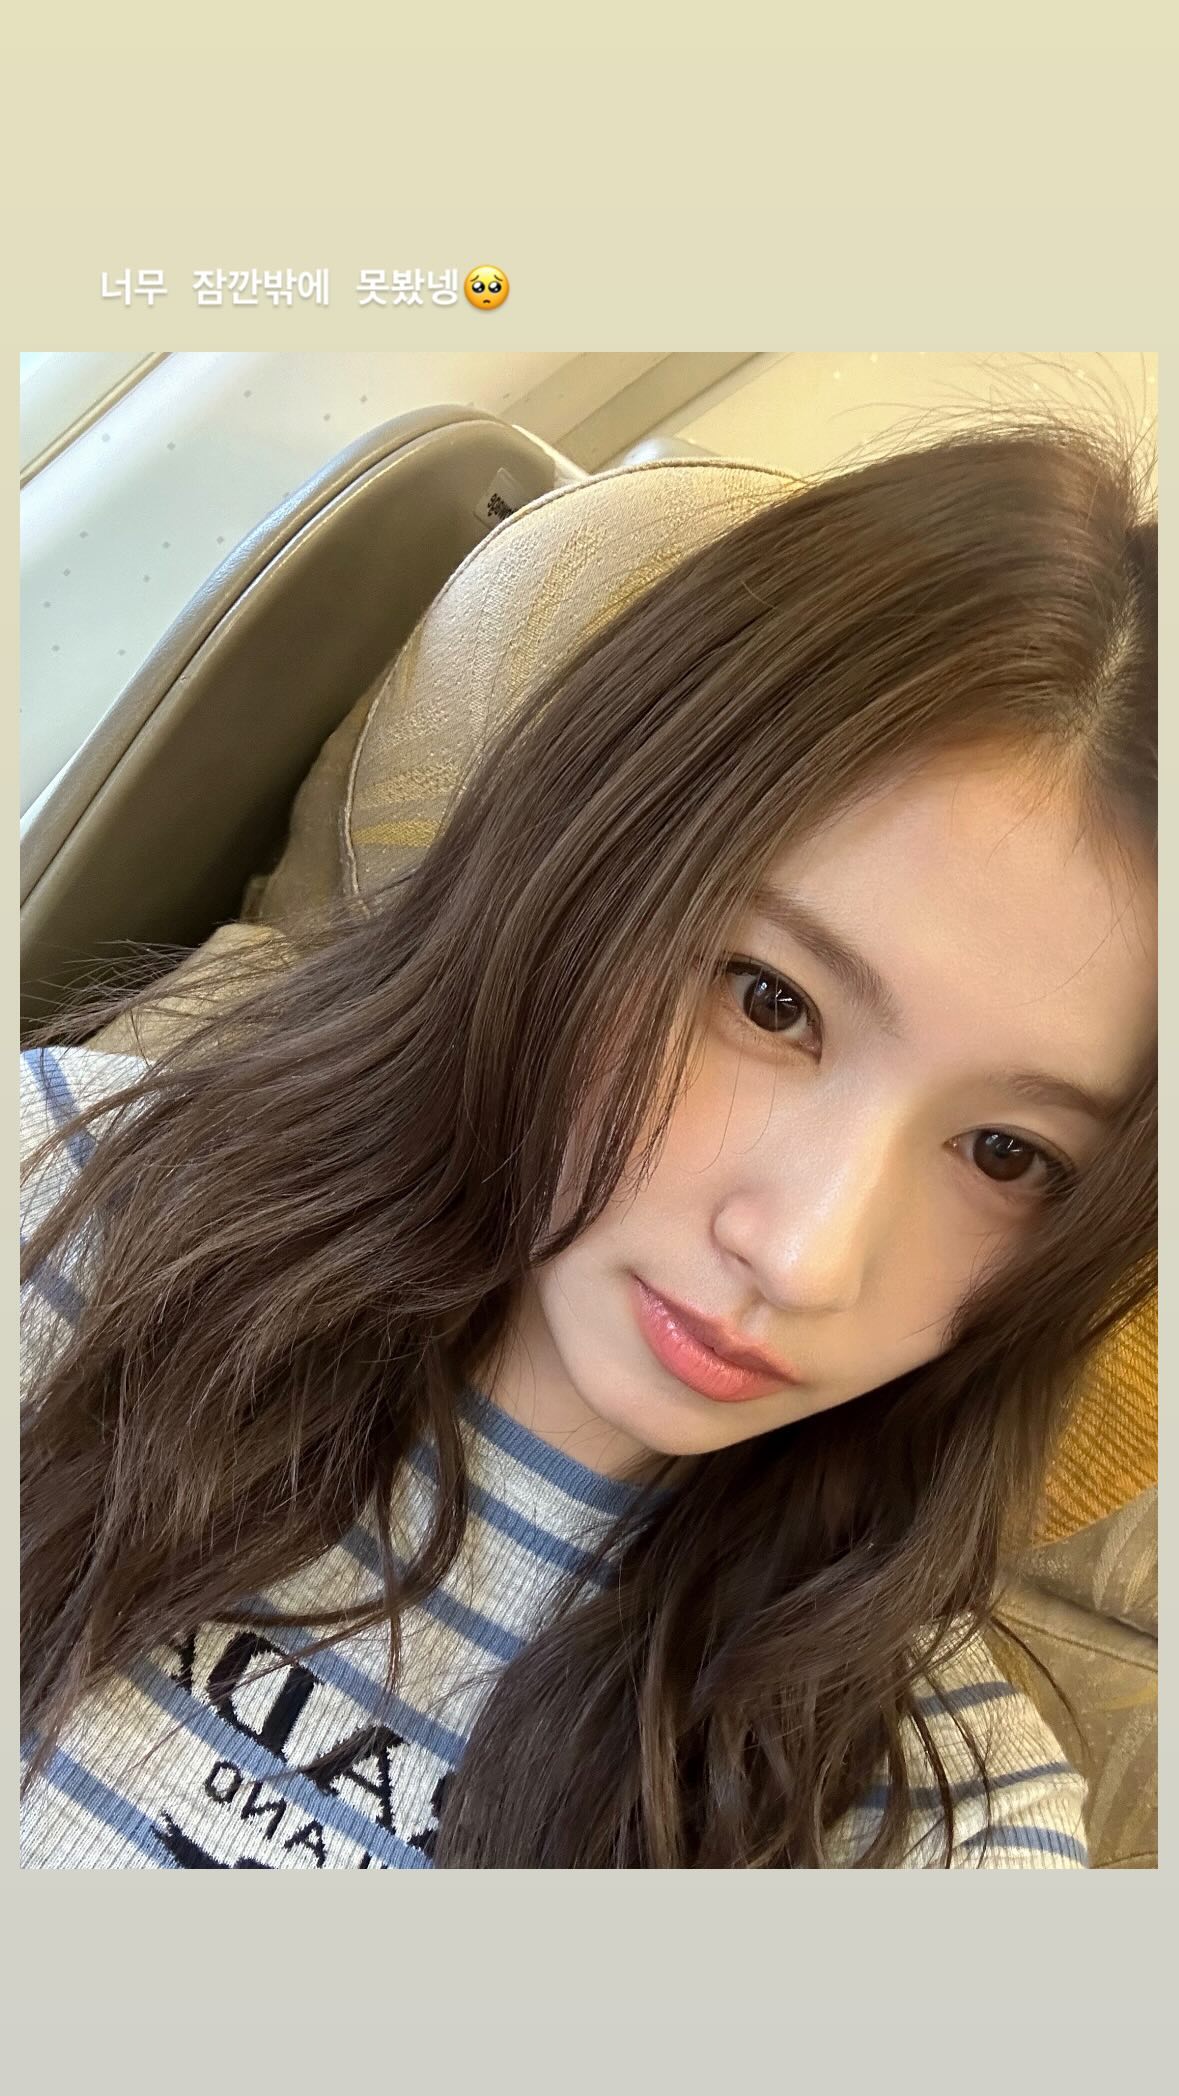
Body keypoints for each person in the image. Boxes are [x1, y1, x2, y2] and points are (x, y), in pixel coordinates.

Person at [20, 418, 1156, 1869]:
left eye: (1006, 1156)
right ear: (583, 867)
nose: (803, 1257)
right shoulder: (49, 1205)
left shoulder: (932, 1827)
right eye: (771, 1003)